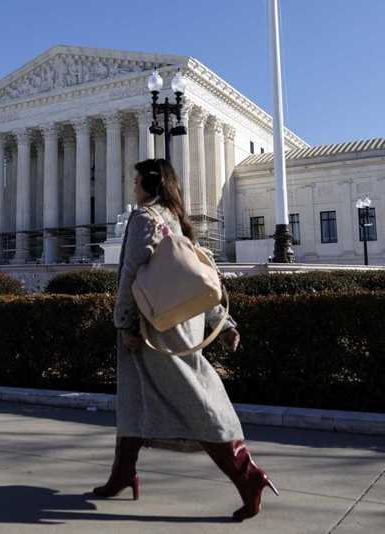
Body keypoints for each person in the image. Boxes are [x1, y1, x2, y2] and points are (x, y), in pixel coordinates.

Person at [92, 159, 278, 521]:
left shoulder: (145, 218)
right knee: (134, 401)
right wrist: (222, 322)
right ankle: (122, 474)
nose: (133, 186)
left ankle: (248, 475)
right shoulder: (176, 220)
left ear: (150, 184)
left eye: (136, 181)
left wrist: (125, 324)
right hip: (181, 321)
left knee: (198, 404)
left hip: (154, 328)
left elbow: (129, 274)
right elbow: (196, 278)